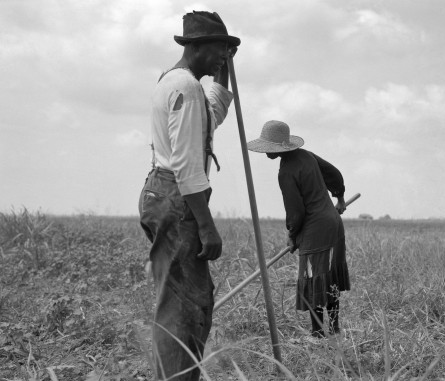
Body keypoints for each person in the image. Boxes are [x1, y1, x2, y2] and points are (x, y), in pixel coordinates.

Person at [138, 11, 240, 380]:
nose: (222, 56)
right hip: (176, 197)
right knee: (185, 306)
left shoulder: (177, 81)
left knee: (179, 300)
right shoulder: (186, 88)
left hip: (161, 192)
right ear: (195, 46)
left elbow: (212, 113)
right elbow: (186, 165)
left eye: (228, 51)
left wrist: (223, 72)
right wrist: (207, 226)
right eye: (218, 49)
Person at [247, 120, 350, 338]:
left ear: (281, 148)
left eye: (270, 148)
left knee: (312, 278)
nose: (267, 153)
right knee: (328, 277)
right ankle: (334, 329)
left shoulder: (286, 172)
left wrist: (292, 235)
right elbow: (334, 173)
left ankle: (317, 334)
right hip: (333, 223)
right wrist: (339, 198)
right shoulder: (307, 156)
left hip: (316, 229)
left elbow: (296, 212)